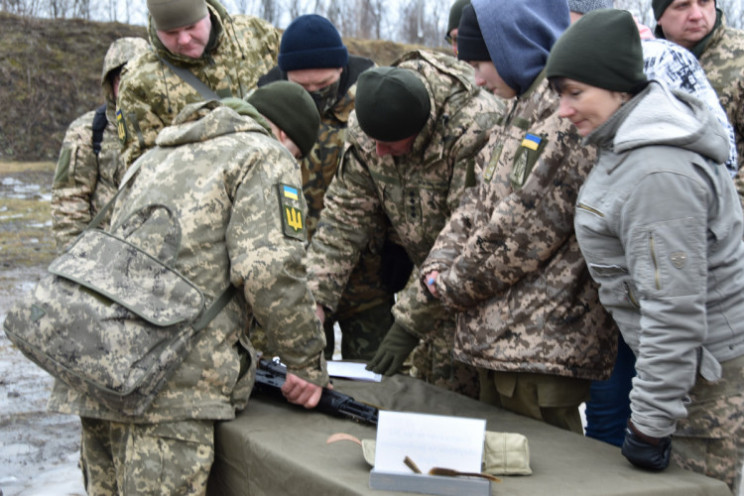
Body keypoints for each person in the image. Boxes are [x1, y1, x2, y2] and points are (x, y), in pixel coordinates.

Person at [47, 89, 329, 495]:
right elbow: (270, 271)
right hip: (170, 385)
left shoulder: (155, 156)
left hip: (100, 368)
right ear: (283, 132)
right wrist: (306, 362)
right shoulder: (263, 154)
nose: (295, 164)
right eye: (298, 156)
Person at [546, 8, 744, 491]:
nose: (563, 110)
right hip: (686, 374)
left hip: (703, 380)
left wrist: (650, 426)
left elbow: (674, 313)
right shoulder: (626, 143)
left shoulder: (657, 171)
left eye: (576, 93)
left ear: (618, 88)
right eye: (559, 95)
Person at [420, 0, 617, 434]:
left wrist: (450, 285)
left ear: (514, 47)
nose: (476, 80)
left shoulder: (561, 118)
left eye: (479, 63)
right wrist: (436, 265)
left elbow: (518, 230)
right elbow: (477, 201)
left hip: (540, 345)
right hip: (502, 339)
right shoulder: (518, 109)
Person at [305, 50, 504, 398]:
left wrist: (409, 320)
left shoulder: (473, 130)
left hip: (476, 289)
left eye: (390, 144)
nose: (379, 152)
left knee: (459, 400)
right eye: (374, 142)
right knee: (421, 393)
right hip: (426, 281)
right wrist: (316, 298)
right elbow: (343, 218)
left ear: (421, 130)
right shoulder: (368, 126)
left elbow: (467, 235)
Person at [257, 15, 394, 362]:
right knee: (302, 380)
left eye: (324, 87)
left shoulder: (373, 104)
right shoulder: (264, 112)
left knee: (374, 384)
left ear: (342, 70)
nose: (315, 98)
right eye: (303, 90)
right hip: (296, 285)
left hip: (368, 284)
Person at [116, 0, 280, 169]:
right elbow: (140, 167)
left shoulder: (256, 36)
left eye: (191, 27)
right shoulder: (138, 82)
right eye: (171, 33)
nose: (184, 40)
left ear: (207, 13)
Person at [51, 37, 149, 252]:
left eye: (138, 77)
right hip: (104, 257)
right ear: (110, 84)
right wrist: (78, 259)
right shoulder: (86, 132)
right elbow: (68, 202)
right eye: (121, 79)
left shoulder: (170, 127)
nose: (130, 86)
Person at [652, 0, 744, 190]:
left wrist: (728, 207)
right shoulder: (646, 63)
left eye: (703, 2)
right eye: (682, 5)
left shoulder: (740, 59)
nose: (696, 15)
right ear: (660, 16)